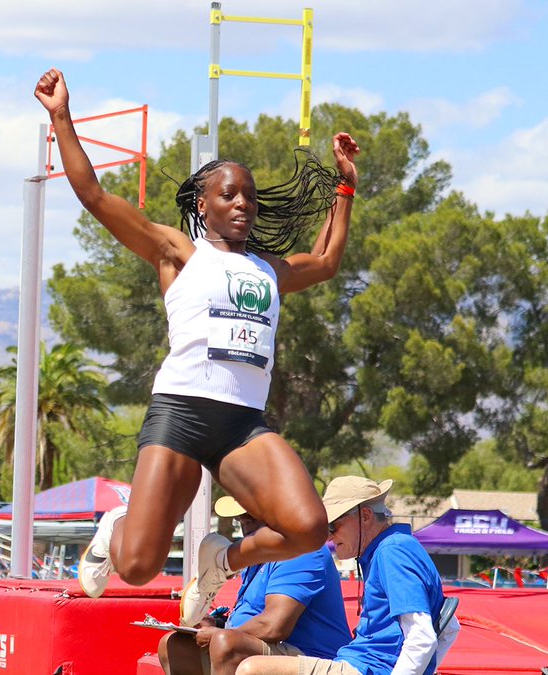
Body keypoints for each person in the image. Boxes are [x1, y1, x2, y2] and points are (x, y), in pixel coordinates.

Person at [34, 68, 360, 626]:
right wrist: (61, 116)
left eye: (250, 197)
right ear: (203, 205)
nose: (243, 204)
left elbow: (327, 262)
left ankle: (219, 560)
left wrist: (345, 185)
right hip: (181, 414)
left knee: (307, 528)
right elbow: (93, 195)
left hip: (241, 425)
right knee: (136, 566)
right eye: (228, 194)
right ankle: (116, 526)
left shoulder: (267, 269)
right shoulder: (177, 252)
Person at [235, 477, 460, 675]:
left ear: (365, 515)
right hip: (362, 664)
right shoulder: (393, 548)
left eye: (333, 525)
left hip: (365, 667)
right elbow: (450, 626)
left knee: (251, 669)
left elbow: (422, 638)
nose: (328, 536)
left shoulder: (392, 552)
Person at [159, 496, 350, 675]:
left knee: (226, 643)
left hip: (312, 657)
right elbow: (254, 617)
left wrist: (221, 633)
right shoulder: (260, 554)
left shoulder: (301, 550)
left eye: (250, 514)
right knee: (174, 644)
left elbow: (274, 627)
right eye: (240, 516)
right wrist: (217, 624)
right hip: (271, 647)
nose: (243, 520)